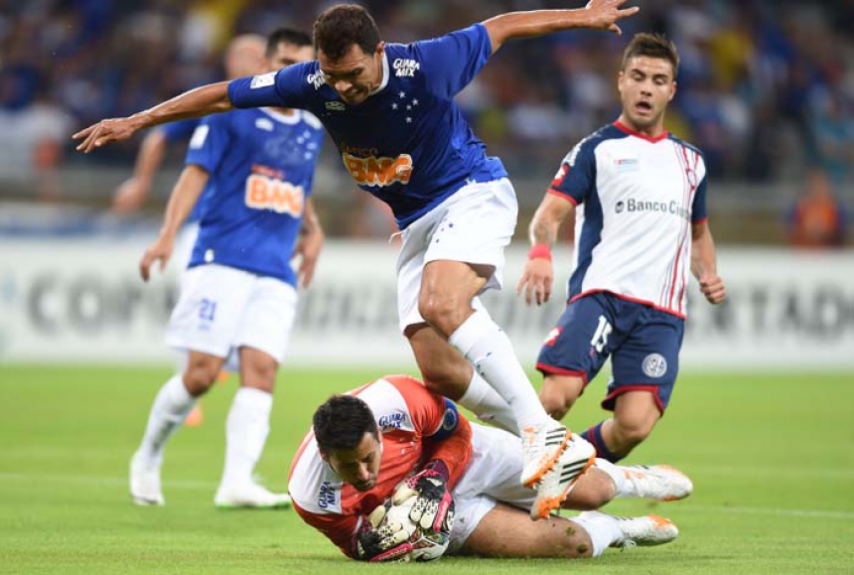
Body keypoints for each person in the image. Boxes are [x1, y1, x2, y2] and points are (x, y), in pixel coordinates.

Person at [73, 1, 640, 517]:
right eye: (333, 75)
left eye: (353, 74)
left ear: (378, 52)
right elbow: (225, 92)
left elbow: (503, 26)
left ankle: (538, 427)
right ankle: (544, 440)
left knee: (441, 303)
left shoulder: (428, 64)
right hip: (416, 224)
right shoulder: (313, 80)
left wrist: (582, 15)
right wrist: (137, 120)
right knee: (440, 370)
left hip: (472, 192)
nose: (343, 88)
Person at [129, 28, 325, 508]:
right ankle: (148, 455)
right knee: (200, 374)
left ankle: (236, 482)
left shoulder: (312, 127)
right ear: (263, 65)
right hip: (222, 258)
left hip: (276, 266)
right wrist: (166, 236)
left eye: (300, 66)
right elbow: (192, 178)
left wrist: (313, 229)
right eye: (281, 61)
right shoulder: (229, 115)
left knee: (262, 372)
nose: (288, 73)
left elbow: (296, 186)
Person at [517, 33, 727, 463]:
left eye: (657, 79)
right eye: (638, 76)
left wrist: (707, 272)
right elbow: (548, 215)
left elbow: (699, 230)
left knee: (634, 425)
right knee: (556, 397)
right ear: (621, 82)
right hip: (603, 297)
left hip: (661, 314)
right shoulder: (597, 150)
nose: (646, 87)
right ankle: (491, 470)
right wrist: (540, 254)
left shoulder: (692, 162)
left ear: (672, 90)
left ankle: (564, 467)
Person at [288, 374, 692, 562]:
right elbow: (359, 545)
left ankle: (631, 478)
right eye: (348, 467)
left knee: (594, 490)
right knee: (576, 545)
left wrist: (438, 475)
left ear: (378, 432)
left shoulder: (398, 400)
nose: (363, 474)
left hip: (471, 458)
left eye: (368, 458)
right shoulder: (311, 496)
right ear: (325, 457)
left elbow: (458, 434)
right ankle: (618, 529)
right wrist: (404, 540)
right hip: (448, 514)